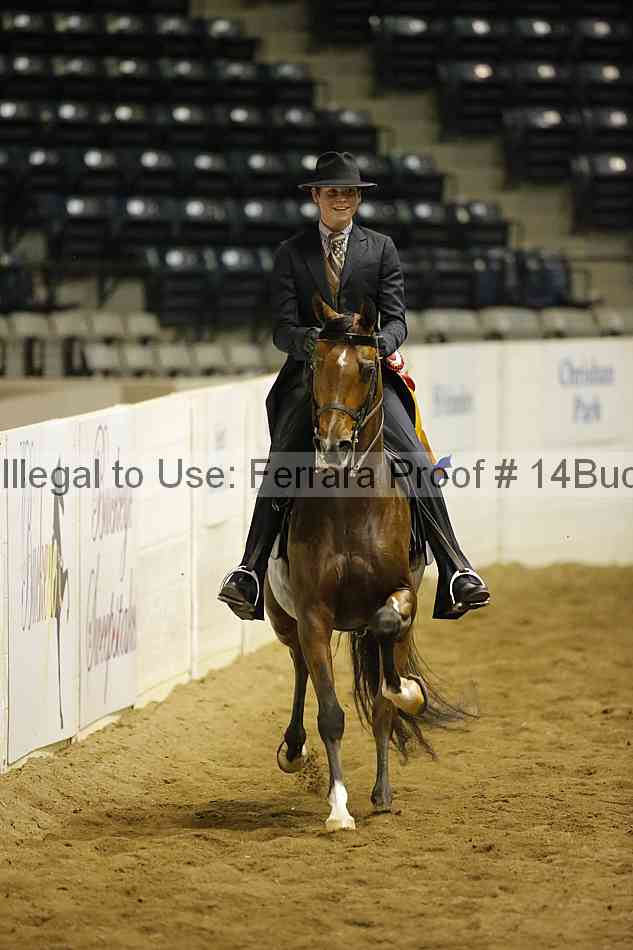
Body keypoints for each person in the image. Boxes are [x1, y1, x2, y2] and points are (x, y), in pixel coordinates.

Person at [218, 151, 490, 622]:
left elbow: (397, 318)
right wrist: (314, 343)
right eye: (332, 192)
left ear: (357, 199)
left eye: (349, 192)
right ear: (316, 196)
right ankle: (250, 570)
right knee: (284, 459)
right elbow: (282, 329)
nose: (341, 199)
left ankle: (455, 567)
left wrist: (382, 343)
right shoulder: (291, 253)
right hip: (311, 376)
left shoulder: (380, 248)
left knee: (414, 455)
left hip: (368, 373)